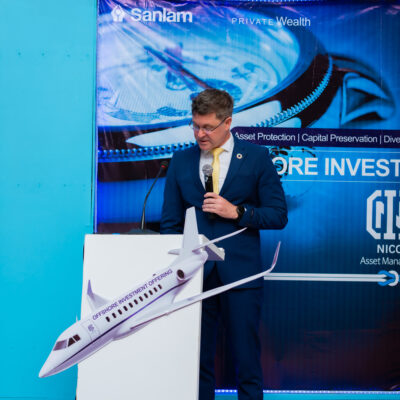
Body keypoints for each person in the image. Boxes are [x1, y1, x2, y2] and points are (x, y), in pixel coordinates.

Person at [160, 88, 287, 400]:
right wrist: (176, 270)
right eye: (195, 126)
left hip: (241, 276)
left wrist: (238, 212)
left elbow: (278, 215)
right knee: (196, 359)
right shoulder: (181, 160)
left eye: (208, 127)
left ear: (228, 122)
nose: (200, 134)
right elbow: (170, 224)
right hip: (194, 277)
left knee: (246, 357)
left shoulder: (257, 157)